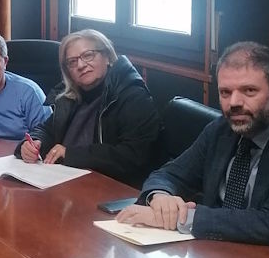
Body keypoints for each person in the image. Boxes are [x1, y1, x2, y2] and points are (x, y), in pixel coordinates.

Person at [117, 41, 269, 258]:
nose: (234, 103)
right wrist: (160, 197)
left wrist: (180, 219)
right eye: (225, 92)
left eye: (249, 91)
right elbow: (169, 174)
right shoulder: (220, 131)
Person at [16, 29, 161, 187]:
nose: (80, 65)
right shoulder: (69, 96)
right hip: (63, 180)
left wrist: (71, 154)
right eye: (72, 62)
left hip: (114, 187)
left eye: (88, 55)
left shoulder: (132, 95)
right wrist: (33, 143)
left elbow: (133, 156)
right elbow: (46, 129)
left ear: (107, 56)